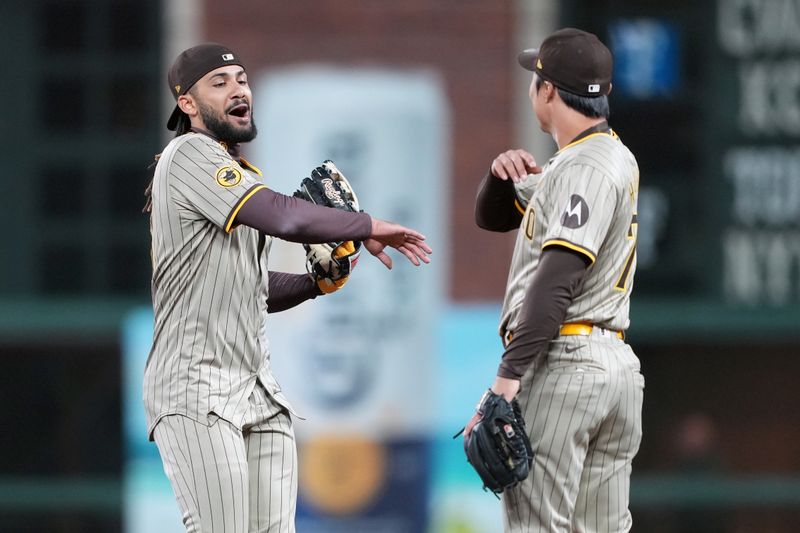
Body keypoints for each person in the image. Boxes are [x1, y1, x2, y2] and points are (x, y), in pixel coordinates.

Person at [142, 43, 432, 533]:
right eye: (220, 83)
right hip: (194, 388)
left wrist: (315, 285)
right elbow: (287, 218)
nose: (238, 89)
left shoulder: (237, 177)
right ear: (187, 104)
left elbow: (254, 288)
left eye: (241, 79)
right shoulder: (188, 154)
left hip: (257, 388)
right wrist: (364, 225)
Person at [463, 28, 644, 532]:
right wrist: (499, 176)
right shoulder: (604, 156)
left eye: (534, 78)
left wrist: (505, 381)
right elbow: (494, 216)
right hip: (615, 368)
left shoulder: (585, 166)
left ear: (546, 91)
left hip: (567, 363)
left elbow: (557, 279)